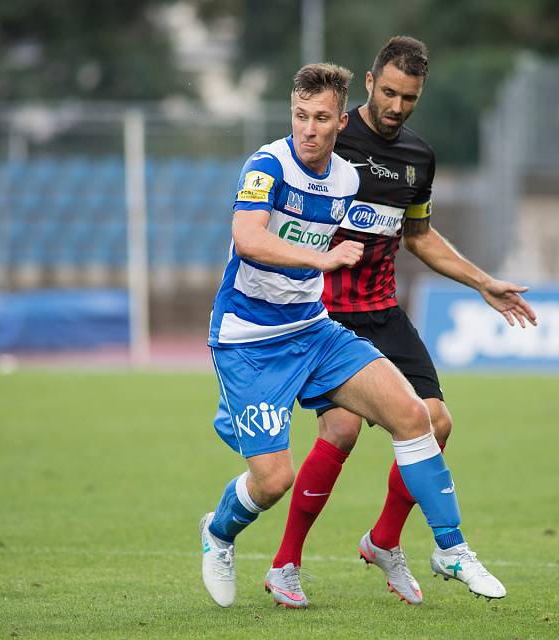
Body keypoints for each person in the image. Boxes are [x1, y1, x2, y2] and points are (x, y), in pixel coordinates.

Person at [200, 61, 506, 610]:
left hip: (315, 331)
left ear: (341, 122)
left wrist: (480, 280)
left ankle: (450, 547)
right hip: (249, 338)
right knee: (272, 482)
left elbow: (409, 229)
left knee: (419, 418)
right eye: (300, 115)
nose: (308, 128)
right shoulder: (266, 165)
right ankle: (219, 534)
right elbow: (247, 240)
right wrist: (322, 258)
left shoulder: (346, 178)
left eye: (320, 118)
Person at [266, 36, 537, 608]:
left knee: (436, 424)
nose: (395, 106)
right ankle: (285, 563)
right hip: (328, 316)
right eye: (387, 92)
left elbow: (417, 236)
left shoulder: (418, 157)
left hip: (384, 312)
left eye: (408, 98)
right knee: (338, 430)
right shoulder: (333, 140)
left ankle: (383, 541)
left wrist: (482, 280)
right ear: (368, 84)